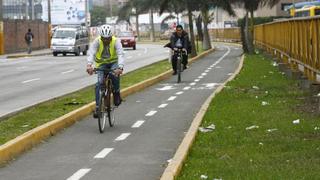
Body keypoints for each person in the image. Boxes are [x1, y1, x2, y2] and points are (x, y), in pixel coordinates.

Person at [86, 24, 125, 118]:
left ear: (111, 37)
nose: (106, 40)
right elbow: (91, 53)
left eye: (108, 38)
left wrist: (120, 67)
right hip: (101, 64)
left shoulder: (116, 41)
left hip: (113, 63)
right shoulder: (97, 41)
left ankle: (116, 93)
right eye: (104, 38)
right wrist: (89, 65)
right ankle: (98, 107)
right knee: (99, 84)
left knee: (114, 76)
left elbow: (120, 54)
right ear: (101, 37)